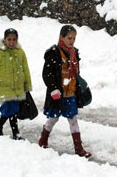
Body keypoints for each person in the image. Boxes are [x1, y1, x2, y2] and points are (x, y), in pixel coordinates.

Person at [38, 25, 91, 158]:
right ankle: (43, 140)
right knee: (53, 118)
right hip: (58, 94)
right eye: (69, 38)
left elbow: (76, 72)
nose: (72, 41)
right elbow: (47, 74)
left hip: (71, 92)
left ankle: (79, 148)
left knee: (73, 119)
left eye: (74, 38)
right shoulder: (53, 53)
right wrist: (53, 88)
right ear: (61, 37)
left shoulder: (74, 53)